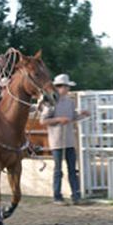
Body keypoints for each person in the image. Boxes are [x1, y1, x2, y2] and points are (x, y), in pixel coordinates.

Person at [40, 74, 90, 205]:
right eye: (65, 86)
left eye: (67, 86)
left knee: (72, 169)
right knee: (58, 169)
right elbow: (43, 120)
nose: (66, 89)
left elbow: (72, 117)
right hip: (56, 140)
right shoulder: (51, 102)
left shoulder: (69, 102)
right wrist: (58, 119)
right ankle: (57, 196)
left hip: (68, 140)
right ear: (58, 87)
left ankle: (76, 195)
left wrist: (81, 115)